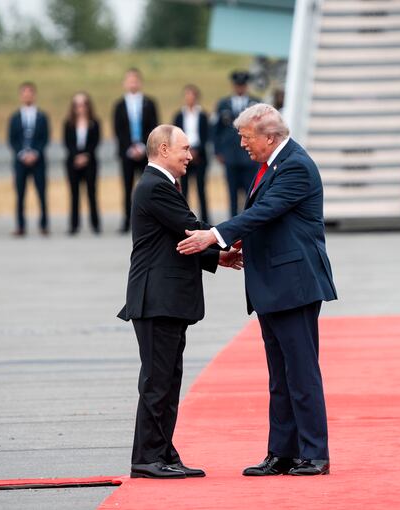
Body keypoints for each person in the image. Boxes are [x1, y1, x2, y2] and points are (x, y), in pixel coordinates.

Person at [178, 104, 337, 477]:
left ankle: (315, 453)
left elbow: (264, 212)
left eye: (246, 138)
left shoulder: (295, 165)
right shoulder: (271, 165)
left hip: (293, 285)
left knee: (301, 373)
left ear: (268, 137)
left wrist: (214, 236)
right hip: (272, 284)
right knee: (280, 375)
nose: (242, 145)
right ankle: (282, 452)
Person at [117, 125, 243, 479]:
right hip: (156, 300)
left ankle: (163, 451)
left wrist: (215, 258)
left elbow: (174, 241)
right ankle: (146, 458)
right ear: (162, 149)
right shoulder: (155, 186)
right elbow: (190, 227)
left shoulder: (161, 185)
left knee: (169, 380)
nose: (190, 155)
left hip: (165, 299)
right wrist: (227, 241)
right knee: (157, 382)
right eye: (185, 149)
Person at [113, 68, 159, 233]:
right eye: (129, 80)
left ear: (140, 82)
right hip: (127, 153)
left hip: (145, 152)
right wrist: (130, 147)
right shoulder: (119, 105)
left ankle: (148, 222)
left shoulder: (149, 102)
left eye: (135, 80)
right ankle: (127, 221)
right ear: (125, 83)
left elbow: (154, 126)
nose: (132, 83)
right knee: (127, 187)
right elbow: (118, 130)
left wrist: (142, 146)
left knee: (147, 188)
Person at [212, 70, 261, 217]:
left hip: (249, 157)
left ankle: (250, 224)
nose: (240, 88)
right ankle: (232, 227)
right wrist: (217, 151)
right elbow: (215, 130)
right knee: (232, 193)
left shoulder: (256, 104)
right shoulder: (223, 104)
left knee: (250, 194)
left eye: (242, 85)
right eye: (238, 85)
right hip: (230, 156)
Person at [7, 81, 50, 236]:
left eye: (30, 92)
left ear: (34, 94)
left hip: (38, 161)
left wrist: (35, 153)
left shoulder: (42, 116)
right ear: (21, 96)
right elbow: (12, 139)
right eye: (24, 93)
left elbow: (45, 138)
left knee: (41, 193)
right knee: (20, 194)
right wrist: (22, 154)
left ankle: (44, 224)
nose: (27, 95)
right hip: (20, 162)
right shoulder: (15, 117)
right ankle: (20, 225)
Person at [63, 92, 101, 235]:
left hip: (90, 161)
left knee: (91, 192)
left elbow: (96, 142)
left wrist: (86, 155)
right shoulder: (68, 123)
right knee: (74, 194)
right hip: (73, 162)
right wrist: (76, 156)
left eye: (84, 104)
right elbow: (67, 142)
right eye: (77, 104)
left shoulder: (94, 123)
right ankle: (74, 225)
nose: (81, 107)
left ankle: (95, 224)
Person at [173, 84, 210, 223]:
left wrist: (197, 151)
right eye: (187, 95)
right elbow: (175, 136)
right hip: (183, 155)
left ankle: (205, 218)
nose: (190, 98)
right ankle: (185, 218)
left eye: (192, 95)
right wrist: (185, 151)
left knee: (201, 188)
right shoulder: (179, 115)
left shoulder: (203, 115)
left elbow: (206, 135)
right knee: (184, 189)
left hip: (200, 156)